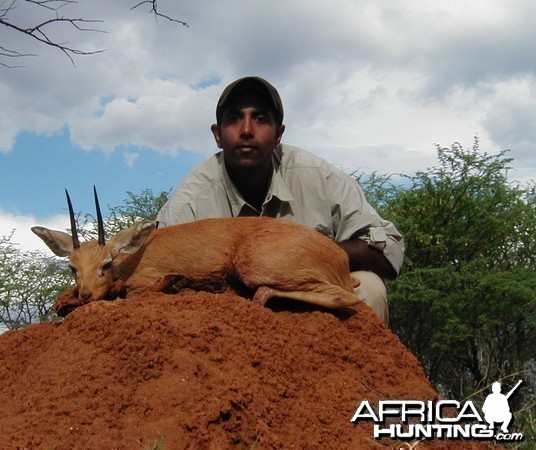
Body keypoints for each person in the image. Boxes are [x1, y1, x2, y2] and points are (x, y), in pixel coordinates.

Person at [156, 76, 405, 324]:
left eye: (260, 119)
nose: (246, 130)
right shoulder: (192, 199)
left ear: (278, 135)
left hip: (312, 294)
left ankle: (358, 362)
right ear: (217, 135)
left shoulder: (318, 176)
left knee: (369, 288)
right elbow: (154, 266)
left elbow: (388, 248)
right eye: (234, 119)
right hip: (227, 309)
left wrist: (302, 255)